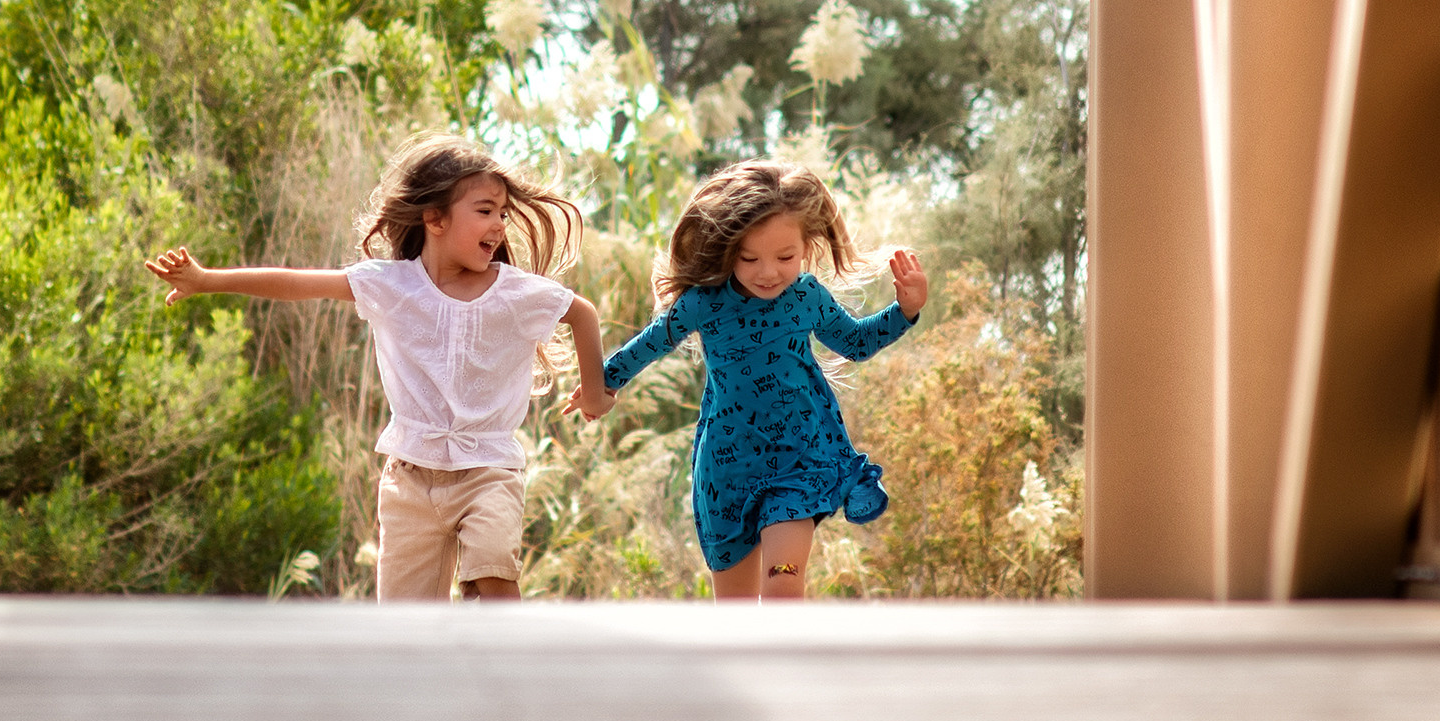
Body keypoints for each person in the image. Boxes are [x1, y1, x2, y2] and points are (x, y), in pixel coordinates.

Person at [145, 134, 614, 602]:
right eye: (485, 210)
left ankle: (502, 670)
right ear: (435, 217)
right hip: (410, 478)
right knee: (406, 623)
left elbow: (582, 313)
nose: (498, 225)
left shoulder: (514, 291)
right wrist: (207, 280)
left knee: (493, 577)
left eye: (503, 213)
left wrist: (594, 393)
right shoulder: (391, 286)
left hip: (489, 468)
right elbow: (296, 283)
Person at [592, 161, 925, 601]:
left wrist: (905, 311)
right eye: (749, 258)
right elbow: (647, 346)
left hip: (798, 465)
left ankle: (790, 671)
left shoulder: (806, 297)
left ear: (806, 247)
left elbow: (856, 342)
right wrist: (603, 385)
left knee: (783, 583)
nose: (768, 272)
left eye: (785, 257)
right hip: (726, 471)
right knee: (736, 616)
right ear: (728, 250)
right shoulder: (703, 304)